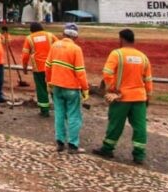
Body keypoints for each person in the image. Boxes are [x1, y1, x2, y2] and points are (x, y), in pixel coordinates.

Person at [92, 29, 153, 165]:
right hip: (139, 97)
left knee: (115, 124)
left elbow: (107, 73)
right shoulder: (143, 57)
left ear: (121, 39)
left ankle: (107, 149)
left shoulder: (117, 54)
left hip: (121, 97)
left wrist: (113, 89)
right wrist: (148, 95)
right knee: (140, 126)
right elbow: (148, 79)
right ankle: (139, 155)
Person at [46, 23, 89, 153]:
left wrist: (49, 82)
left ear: (63, 34)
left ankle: (60, 143)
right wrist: (85, 88)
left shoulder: (54, 46)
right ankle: (73, 145)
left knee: (59, 114)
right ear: (75, 37)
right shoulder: (76, 49)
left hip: (56, 86)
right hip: (71, 88)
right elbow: (80, 71)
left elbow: (47, 66)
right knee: (74, 116)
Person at [21, 22, 58, 117]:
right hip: (52, 67)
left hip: (38, 68)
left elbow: (25, 55)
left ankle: (44, 110)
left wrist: (24, 67)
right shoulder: (50, 35)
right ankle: (60, 110)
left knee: (41, 89)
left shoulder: (29, 38)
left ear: (31, 30)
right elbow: (59, 47)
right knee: (55, 88)